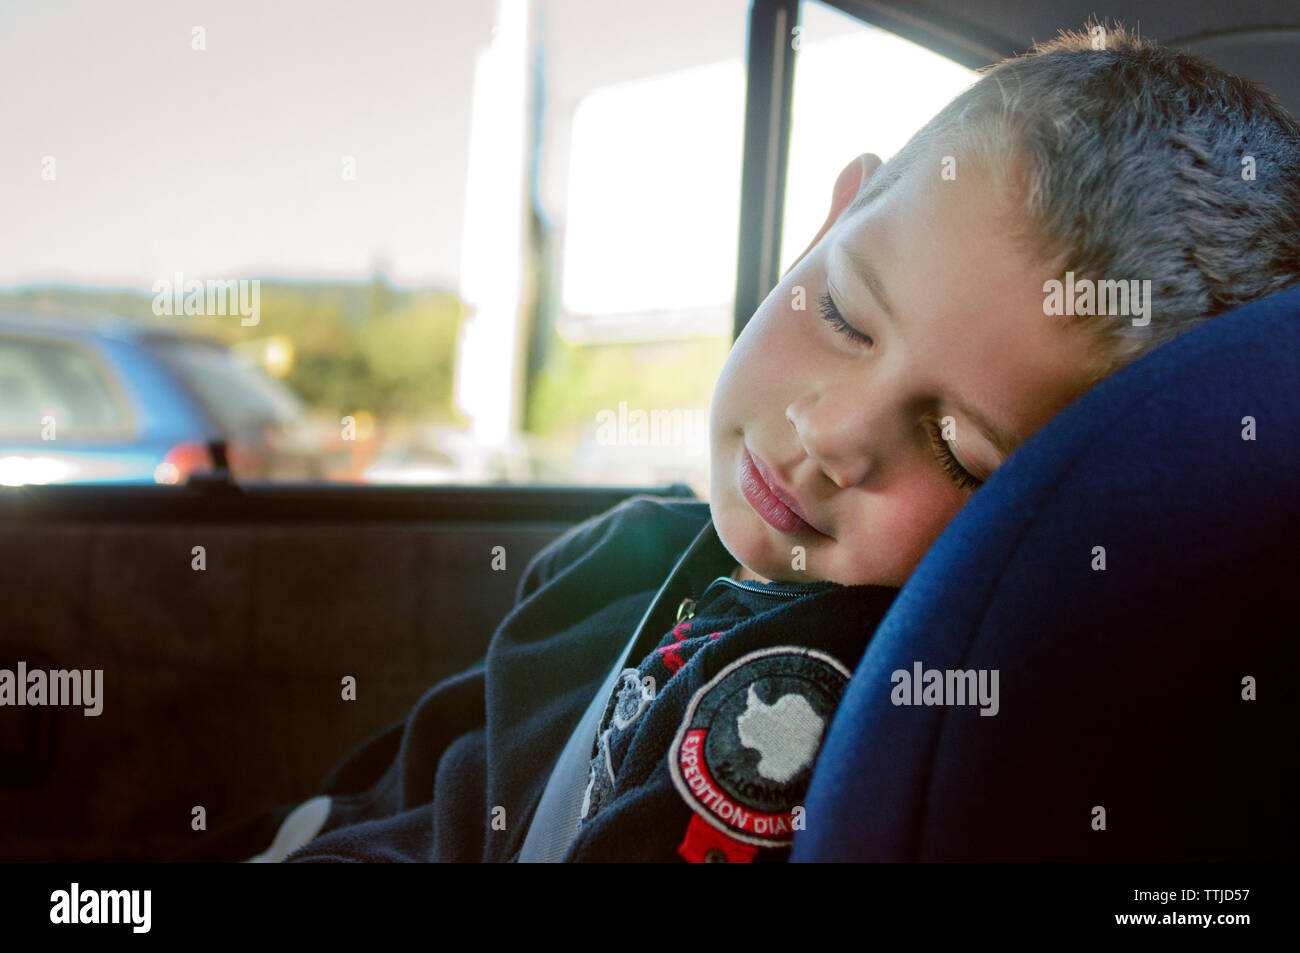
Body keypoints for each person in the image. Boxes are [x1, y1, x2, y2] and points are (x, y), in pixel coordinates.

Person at [192, 21, 1300, 862]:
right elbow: (414, 788)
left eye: (959, 448)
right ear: (826, 220)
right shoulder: (625, 558)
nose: (828, 432)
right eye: (844, 317)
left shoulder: (806, 712)